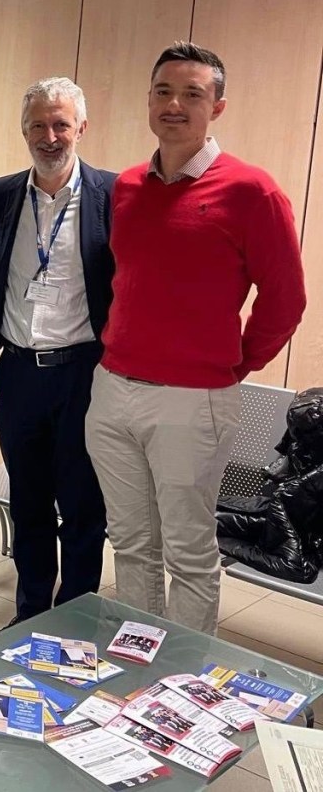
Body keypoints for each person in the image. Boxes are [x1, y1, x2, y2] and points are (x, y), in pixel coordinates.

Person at [85, 41, 306, 634]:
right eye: (163, 91)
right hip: (113, 389)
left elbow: (286, 301)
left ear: (218, 107)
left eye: (192, 94)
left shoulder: (251, 191)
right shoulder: (128, 187)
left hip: (193, 399)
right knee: (130, 541)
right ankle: (139, 659)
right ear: (149, 101)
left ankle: (180, 673)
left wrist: (233, 366)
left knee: (187, 549)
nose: (174, 105)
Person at [0, 77, 115, 625]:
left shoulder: (112, 195)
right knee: (29, 501)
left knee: (83, 505)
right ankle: (32, 609)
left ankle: (76, 616)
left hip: (83, 373)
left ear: (81, 127)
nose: (50, 136)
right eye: (38, 125)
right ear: (24, 131)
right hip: (17, 372)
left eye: (61, 124)